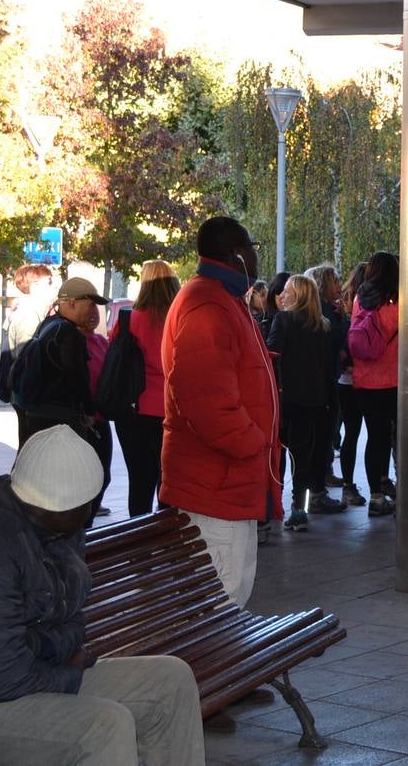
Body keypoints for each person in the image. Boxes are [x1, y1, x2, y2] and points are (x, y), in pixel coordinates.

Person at [0, 425, 204, 765]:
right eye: (86, 506)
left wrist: (37, 646)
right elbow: (0, 678)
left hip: (21, 676)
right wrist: (65, 669)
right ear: (62, 508)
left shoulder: (55, 524)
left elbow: (72, 624)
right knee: (102, 726)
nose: (90, 513)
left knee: (171, 681)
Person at [160, 216, 278, 607]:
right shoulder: (207, 304)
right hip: (215, 486)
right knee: (220, 604)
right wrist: (253, 445)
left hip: (227, 483)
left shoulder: (221, 300)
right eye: (252, 247)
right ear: (236, 254)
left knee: (231, 599)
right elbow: (205, 401)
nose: (255, 255)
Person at [268, 274, 346, 530]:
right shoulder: (322, 325)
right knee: (302, 457)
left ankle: (271, 508)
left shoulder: (283, 319)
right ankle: (299, 509)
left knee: (277, 455)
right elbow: (327, 367)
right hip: (313, 400)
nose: (283, 294)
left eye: (288, 290)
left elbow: (272, 355)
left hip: (285, 398)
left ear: (297, 295)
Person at [13, 277, 110, 460]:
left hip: (37, 414)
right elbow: (78, 378)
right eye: (90, 305)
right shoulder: (68, 334)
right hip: (60, 419)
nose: (94, 311)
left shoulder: (49, 325)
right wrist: (89, 411)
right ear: (72, 304)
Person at [113, 260, 179, 517]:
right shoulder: (180, 319)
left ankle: (138, 538)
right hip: (172, 411)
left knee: (139, 481)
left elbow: (116, 356)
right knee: (170, 483)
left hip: (135, 410)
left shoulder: (129, 319)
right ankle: (169, 536)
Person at [348, 251, 400, 518]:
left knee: (375, 438)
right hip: (394, 380)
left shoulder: (359, 299)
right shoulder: (399, 302)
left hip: (364, 380)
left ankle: (376, 497)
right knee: (398, 437)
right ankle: (403, 487)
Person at [304, 263, 348, 489]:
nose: (339, 285)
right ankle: (319, 484)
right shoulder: (324, 312)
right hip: (324, 379)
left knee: (327, 432)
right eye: (335, 281)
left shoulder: (327, 309)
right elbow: (336, 343)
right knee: (324, 432)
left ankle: (323, 476)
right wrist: (343, 320)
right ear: (323, 283)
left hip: (327, 377)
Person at [335, 263, 368, 508]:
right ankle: (377, 483)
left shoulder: (341, 307)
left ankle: (348, 484)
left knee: (353, 433)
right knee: (376, 435)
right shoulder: (361, 307)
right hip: (359, 377)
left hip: (346, 380)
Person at [81, 303, 113, 519]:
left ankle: (88, 520)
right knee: (87, 478)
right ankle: (84, 524)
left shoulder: (101, 341)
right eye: (88, 308)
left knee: (104, 475)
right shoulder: (74, 341)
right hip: (85, 420)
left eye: (96, 309)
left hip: (101, 417)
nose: (93, 313)